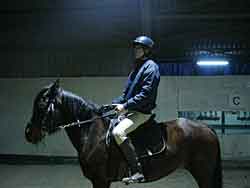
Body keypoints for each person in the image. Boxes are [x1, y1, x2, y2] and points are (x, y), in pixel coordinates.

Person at [112, 36, 160, 184]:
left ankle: (137, 170)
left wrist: (125, 106)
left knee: (118, 132)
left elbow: (146, 95)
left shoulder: (151, 67)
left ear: (146, 50)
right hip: (132, 110)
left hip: (142, 112)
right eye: (135, 48)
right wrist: (114, 103)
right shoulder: (137, 68)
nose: (135, 50)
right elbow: (127, 94)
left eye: (139, 48)